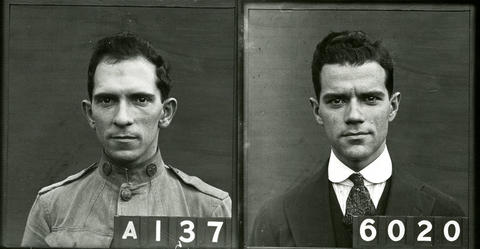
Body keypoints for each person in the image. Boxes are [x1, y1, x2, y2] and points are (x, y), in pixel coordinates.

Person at [249, 30, 464, 248]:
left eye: (370, 98)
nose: (354, 116)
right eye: (337, 101)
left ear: (393, 106)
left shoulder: (443, 214)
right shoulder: (275, 219)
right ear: (316, 111)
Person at [21, 33, 232, 248]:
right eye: (106, 100)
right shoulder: (52, 207)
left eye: (140, 99)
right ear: (90, 114)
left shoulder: (209, 208)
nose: (122, 118)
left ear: (166, 112)